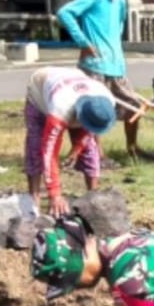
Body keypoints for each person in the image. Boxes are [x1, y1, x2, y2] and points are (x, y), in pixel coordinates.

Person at [56, 0, 142, 156]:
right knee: (95, 109)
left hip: (115, 65)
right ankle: (96, 155)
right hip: (94, 65)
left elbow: (118, 28)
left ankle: (132, 149)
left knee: (134, 106)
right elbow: (64, 13)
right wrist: (83, 42)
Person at [24, 66, 117, 216]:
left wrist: (77, 149)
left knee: (89, 149)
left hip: (73, 81)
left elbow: (91, 131)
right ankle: (33, 199)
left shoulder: (106, 101)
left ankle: (93, 196)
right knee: (35, 147)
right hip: (41, 89)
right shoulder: (60, 108)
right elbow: (49, 152)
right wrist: (55, 194)